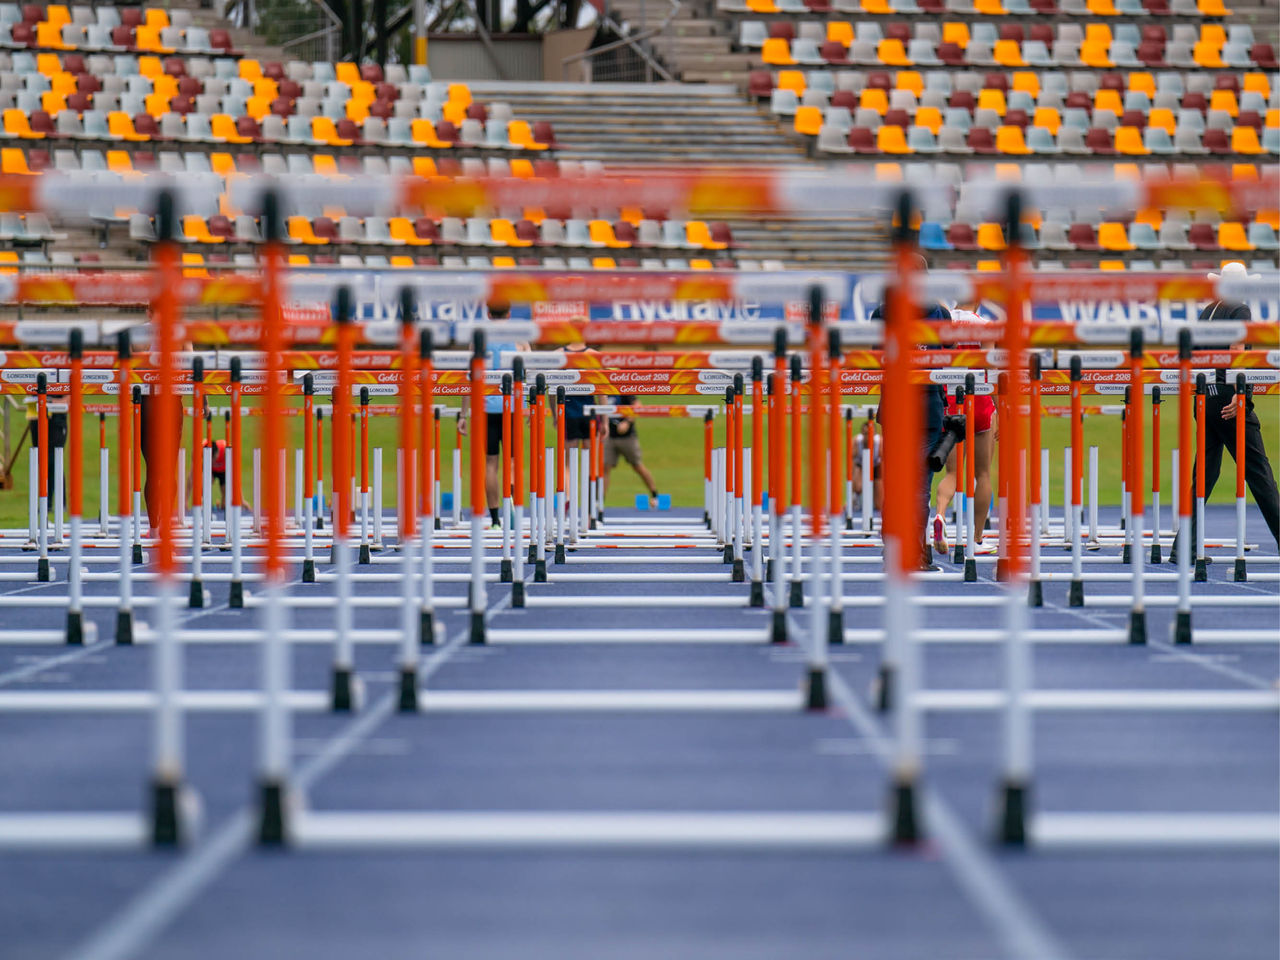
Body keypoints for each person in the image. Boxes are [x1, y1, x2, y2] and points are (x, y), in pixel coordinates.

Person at [1179, 262, 1279, 554]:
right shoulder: (1239, 309)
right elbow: (1236, 351)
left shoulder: (1207, 312)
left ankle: (1182, 546)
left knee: (1204, 476)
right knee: (1260, 475)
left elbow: (1197, 356)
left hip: (1204, 397)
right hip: (1227, 396)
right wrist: (1240, 394)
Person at [931, 305, 998, 556]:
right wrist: (999, 409)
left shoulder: (943, 319)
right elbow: (991, 369)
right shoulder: (984, 325)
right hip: (979, 397)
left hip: (950, 398)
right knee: (982, 474)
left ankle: (939, 514)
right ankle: (978, 538)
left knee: (953, 472)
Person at [458, 301, 526, 529]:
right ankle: (513, 510)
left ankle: (496, 519)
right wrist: (527, 405)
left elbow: (471, 377)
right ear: (509, 313)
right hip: (513, 407)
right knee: (514, 463)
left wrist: (463, 414)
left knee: (490, 464)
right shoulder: (519, 338)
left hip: (485, 407)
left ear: (487, 313)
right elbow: (532, 372)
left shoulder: (478, 340)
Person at [603, 396, 660, 507]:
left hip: (627, 437)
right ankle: (599, 501)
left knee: (637, 466)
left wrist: (627, 422)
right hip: (609, 437)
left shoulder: (624, 390)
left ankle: (654, 494)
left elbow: (638, 406)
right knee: (605, 468)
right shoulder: (604, 390)